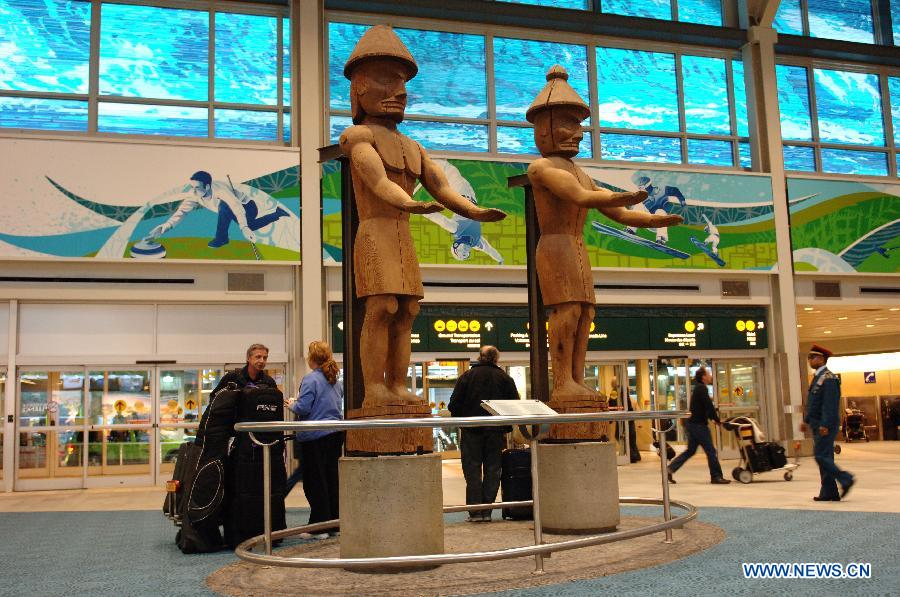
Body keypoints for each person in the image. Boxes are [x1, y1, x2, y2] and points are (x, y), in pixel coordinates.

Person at [339, 25, 506, 407]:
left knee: (408, 311)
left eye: (402, 83)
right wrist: (411, 204)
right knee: (382, 307)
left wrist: (475, 211)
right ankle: (375, 390)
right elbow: (378, 182)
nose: (399, 92)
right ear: (360, 88)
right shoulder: (358, 137)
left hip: (402, 235)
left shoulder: (412, 146)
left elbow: (443, 188)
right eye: (386, 80)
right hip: (376, 232)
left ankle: (397, 385)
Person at [525, 65, 680, 403]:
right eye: (568, 123)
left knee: (585, 314)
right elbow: (582, 198)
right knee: (565, 312)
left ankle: (577, 379)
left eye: (579, 125)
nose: (578, 133)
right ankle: (562, 381)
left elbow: (617, 213)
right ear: (545, 128)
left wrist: (653, 221)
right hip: (555, 246)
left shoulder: (579, 171)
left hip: (576, 247)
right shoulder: (543, 168)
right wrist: (625, 196)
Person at [448, 346, 519, 522]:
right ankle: (487, 511)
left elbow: (453, 404)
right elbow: (514, 405)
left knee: (472, 470)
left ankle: (475, 511)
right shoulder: (505, 378)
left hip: (471, 430)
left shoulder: (467, 376)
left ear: (480, 357)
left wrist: (462, 420)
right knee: (493, 470)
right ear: (496, 359)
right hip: (495, 431)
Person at [288, 341, 344, 537]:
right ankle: (335, 524)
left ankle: (318, 527)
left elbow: (303, 408)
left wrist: (291, 404)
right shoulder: (335, 380)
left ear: (311, 358)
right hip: (335, 435)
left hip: (314, 436)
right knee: (331, 480)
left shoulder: (310, 380)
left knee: (315, 482)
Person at [147, 170, 290, 248]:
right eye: (192, 187)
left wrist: (244, 227)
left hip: (248, 206)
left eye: (197, 187)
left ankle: (222, 238)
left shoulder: (220, 191)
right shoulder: (194, 194)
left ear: (207, 186)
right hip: (230, 210)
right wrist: (166, 226)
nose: (194, 191)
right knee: (249, 224)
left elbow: (236, 205)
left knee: (226, 207)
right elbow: (182, 211)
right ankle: (277, 213)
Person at [420, 159, 504, 264]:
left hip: (459, 193)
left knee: (449, 170)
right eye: (466, 255)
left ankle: (430, 162)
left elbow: (438, 219)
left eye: (461, 252)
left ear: (456, 246)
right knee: (453, 174)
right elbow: (490, 250)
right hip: (472, 196)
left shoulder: (456, 229)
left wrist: (420, 208)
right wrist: (500, 260)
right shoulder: (477, 242)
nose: (465, 252)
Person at [801, 344, 855, 502]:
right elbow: (814, 403)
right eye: (809, 357)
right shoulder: (818, 377)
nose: (810, 360)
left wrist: (825, 424)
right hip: (817, 423)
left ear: (822, 359)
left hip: (825, 425)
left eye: (813, 357)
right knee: (825, 457)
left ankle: (846, 479)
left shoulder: (829, 378)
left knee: (821, 457)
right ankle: (829, 492)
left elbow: (829, 405)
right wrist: (806, 420)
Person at [667, 367, 731, 484]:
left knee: (690, 451)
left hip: (693, 424)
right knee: (711, 451)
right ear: (703, 377)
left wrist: (712, 417)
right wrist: (716, 419)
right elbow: (708, 406)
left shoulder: (698, 388)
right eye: (709, 374)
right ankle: (716, 476)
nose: (710, 376)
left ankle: (670, 469)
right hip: (699, 426)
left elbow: (704, 406)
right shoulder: (702, 388)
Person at [624, 175, 687, 245]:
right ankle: (631, 230)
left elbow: (675, 190)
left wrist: (682, 200)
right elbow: (634, 210)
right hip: (647, 221)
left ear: (647, 186)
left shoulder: (662, 190)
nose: (641, 190)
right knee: (639, 205)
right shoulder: (642, 197)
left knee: (660, 211)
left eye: (641, 188)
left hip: (659, 223)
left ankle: (661, 238)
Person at [211, 343, 276, 397]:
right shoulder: (232, 378)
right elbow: (214, 397)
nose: (262, 361)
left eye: (265, 358)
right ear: (248, 358)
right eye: (258, 357)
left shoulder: (269, 382)